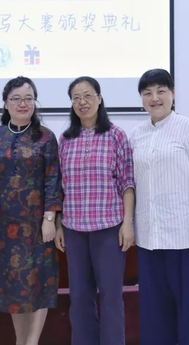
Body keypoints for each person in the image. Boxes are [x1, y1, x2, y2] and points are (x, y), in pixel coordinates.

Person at [130, 68, 189, 345]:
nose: (154, 98)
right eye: (147, 93)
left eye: (161, 91)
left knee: (188, 305)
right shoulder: (137, 134)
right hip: (149, 233)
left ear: (173, 94)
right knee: (153, 306)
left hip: (183, 232)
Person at [55, 76, 135, 345]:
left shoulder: (116, 135)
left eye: (88, 95)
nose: (82, 102)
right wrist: (58, 225)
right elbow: (60, 187)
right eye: (76, 98)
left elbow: (127, 182)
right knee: (79, 297)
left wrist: (127, 224)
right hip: (74, 229)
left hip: (109, 228)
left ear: (99, 98)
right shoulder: (65, 140)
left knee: (111, 297)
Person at [0, 76, 62, 345]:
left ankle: (33, 341)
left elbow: (53, 179)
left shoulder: (46, 137)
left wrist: (50, 218)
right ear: (6, 103)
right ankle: (21, 340)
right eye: (16, 98)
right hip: (4, 225)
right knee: (14, 284)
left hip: (38, 224)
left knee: (40, 280)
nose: (23, 103)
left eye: (28, 98)